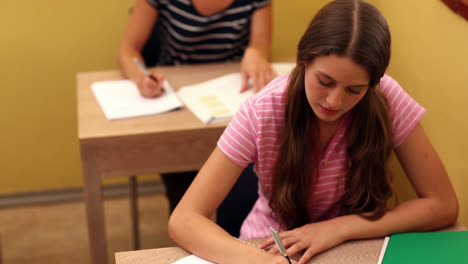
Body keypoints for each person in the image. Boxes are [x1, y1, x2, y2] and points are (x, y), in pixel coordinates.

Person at [167, 0, 459, 263]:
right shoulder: (262, 111)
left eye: (354, 90)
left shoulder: (386, 97)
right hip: (272, 245)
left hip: (360, 245)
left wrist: (339, 228)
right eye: (325, 81)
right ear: (304, 60)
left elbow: (443, 204)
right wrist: (262, 262)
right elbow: (184, 219)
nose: (335, 101)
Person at [117, 0, 275, 237]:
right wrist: (140, 76)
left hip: (231, 103)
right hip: (177, 106)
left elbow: (261, 44)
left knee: (241, 198)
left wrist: (255, 53)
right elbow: (127, 50)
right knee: (186, 200)